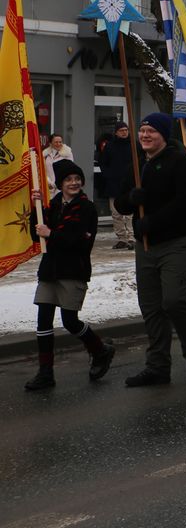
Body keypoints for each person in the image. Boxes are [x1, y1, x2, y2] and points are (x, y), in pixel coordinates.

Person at [113, 113, 186, 386]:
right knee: (151, 307)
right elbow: (120, 203)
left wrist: (153, 221)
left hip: (179, 243)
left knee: (175, 301)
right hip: (146, 246)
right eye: (142, 130)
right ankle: (157, 366)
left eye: (151, 131)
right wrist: (132, 198)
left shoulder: (182, 163)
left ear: (164, 135)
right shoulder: (137, 165)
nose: (145, 135)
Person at [24, 160, 114, 391]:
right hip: (50, 270)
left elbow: (80, 242)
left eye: (77, 179)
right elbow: (37, 235)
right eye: (68, 179)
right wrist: (35, 207)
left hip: (73, 270)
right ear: (61, 184)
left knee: (70, 321)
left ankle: (100, 350)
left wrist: (51, 234)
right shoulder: (53, 205)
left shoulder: (87, 208)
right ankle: (46, 373)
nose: (74, 183)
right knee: (43, 321)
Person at [99, 122, 136, 249]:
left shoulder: (134, 144)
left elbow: (140, 160)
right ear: (116, 132)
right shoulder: (110, 146)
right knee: (116, 213)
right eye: (121, 130)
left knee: (131, 213)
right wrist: (108, 175)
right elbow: (103, 162)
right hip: (114, 184)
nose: (124, 132)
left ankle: (131, 237)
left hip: (130, 184)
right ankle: (122, 238)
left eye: (126, 130)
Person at [42, 133, 73, 199]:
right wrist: (48, 182)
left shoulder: (67, 154)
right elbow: (42, 170)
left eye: (60, 142)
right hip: (48, 187)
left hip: (62, 187)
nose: (58, 144)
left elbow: (69, 170)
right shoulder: (45, 155)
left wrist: (56, 184)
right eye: (56, 142)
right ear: (50, 143)